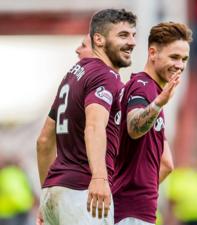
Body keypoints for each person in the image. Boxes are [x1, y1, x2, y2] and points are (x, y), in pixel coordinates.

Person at [36, 9, 137, 225]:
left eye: (132, 35)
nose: (132, 42)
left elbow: (44, 141)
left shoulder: (73, 75)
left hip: (56, 191)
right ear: (99, 39)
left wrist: (47, 193)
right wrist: (99, 178)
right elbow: (93, 126)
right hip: (83, 192)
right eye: (123, 35)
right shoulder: (106, 76)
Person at [112, 22, 192, 225]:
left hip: (135, 207)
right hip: (130, 212)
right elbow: (134, 127)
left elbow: (167, 164)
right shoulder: (144, 88)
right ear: (153, 53)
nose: (180, 65)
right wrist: (158, 104)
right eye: (174, 57)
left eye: (184, 59)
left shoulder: (152, 90)